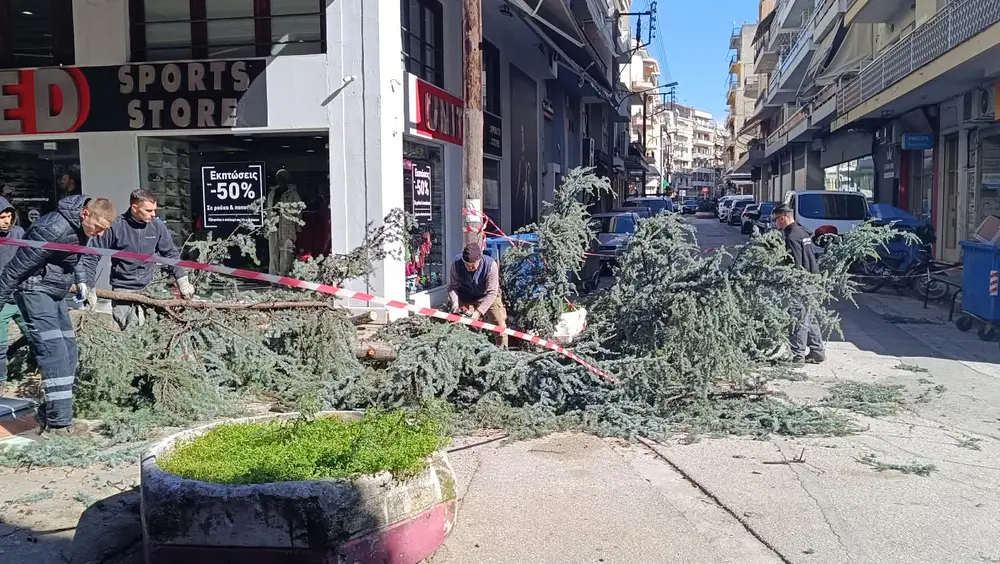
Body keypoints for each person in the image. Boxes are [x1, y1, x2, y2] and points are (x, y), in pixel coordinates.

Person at [0, 195, 116, 434]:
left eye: (105, 230)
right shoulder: (52, 228)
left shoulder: (82, 228)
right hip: (34, 289)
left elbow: (79, 257)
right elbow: (15, 268)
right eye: (99, 228)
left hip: (54, 290)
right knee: (54, 352)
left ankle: (50, 411)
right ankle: (60, 425)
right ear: (85, 214)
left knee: (69, 351)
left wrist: (84, 281)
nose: (100, 234)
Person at [82, 190, 195, 330]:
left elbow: (170, 255)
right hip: (123, 288)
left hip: (150, 287)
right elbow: (91, 256)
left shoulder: (157, 226)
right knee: (129, 331)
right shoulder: (116, 226)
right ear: (135, 208)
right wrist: (88, 285)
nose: (153, 214)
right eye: (148, 210)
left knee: (157, 329)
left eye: (154, 210)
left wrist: (182, 280)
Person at [771, 204, 825, 366]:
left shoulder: (791, 235)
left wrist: (788, 279)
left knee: (799, 318)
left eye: (775, 220)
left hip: (800, 282)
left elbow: (796, 261)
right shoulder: (802, 231)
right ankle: (817, 352)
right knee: (810, 317)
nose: (775, 224)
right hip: (812, 279)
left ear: (783, 218)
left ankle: (798, 356)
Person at [448, 242, 508, 347]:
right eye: (466, 264)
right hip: (465, 295)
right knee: (458, 326)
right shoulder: (456, 264)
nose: (469, 268)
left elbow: (492, 292)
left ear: (480, 259)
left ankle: (503, 352)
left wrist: (478, 312)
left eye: (473, 265)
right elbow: (453, 287)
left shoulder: (490, 265)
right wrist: (455, 304)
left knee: (500, 326)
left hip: (487, 296)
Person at [0, 199, 25, 398]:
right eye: (2, 217)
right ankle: (1, 381)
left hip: (21, 296)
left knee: (38, 337)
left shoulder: (19, 234)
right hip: (1, 300)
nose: (6, 221)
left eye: (9, 217)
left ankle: (35, 372)